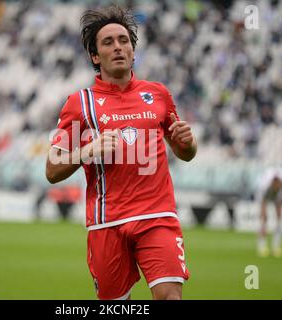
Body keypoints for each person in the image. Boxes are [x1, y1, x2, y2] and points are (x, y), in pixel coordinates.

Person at [45, 6, 197, 300]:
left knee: (170, 297)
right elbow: (52, 169)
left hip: (157, 216)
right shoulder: (80, 104)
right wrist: (88, 150)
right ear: (94, 56)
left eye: (124, 40)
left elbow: (185, 152)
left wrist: (188, 143)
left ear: (133, 49)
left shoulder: (158, 94)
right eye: (108, 42)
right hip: (107, 223)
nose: (118, 47)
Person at [256, 168, 282, 257]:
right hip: (265, 194)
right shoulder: (264, 186)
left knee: (279, 218)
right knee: (264, 220)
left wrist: (280, 207)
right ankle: (262, 246)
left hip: (278, 195)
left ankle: (276, 246)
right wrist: (264, 216)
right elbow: (263, 204)